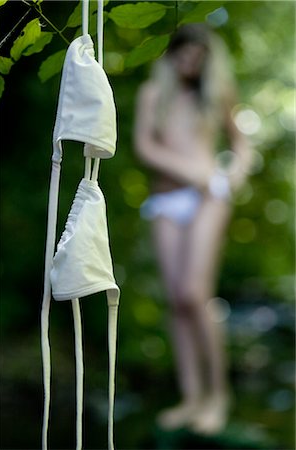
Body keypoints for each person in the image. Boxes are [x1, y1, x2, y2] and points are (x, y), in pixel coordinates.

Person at [134, 24, 253, 435]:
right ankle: (191, 397)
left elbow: (241, 144)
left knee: (194, 293)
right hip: (167, 200)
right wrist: (188, 170)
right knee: (175, 300)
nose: (191, 62)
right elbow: (144, 147)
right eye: (185, 53)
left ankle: (219, 395)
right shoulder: (153, 96)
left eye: (199, 56)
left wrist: (232, 174)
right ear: (173, 54)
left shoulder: (216, 95)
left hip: (208, 198)